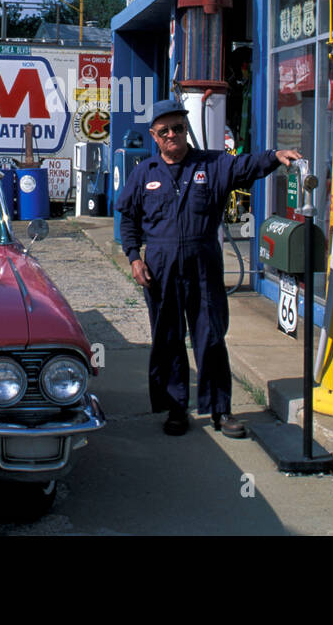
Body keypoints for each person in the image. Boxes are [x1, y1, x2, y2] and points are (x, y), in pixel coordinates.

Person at [116, 98, 301, 438]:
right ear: (154, 137)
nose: (173, 135)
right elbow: (127, 216)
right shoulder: (145, 173)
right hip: (160, 267)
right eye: (165, 130)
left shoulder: (212, 165)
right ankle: (175, 409)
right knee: (168, 339)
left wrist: (275, 157)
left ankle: (220, 410)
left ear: (186, 130)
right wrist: (133, 256)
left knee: (211, 337)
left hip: (203, 265)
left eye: (179, 128)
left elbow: (247, 165)